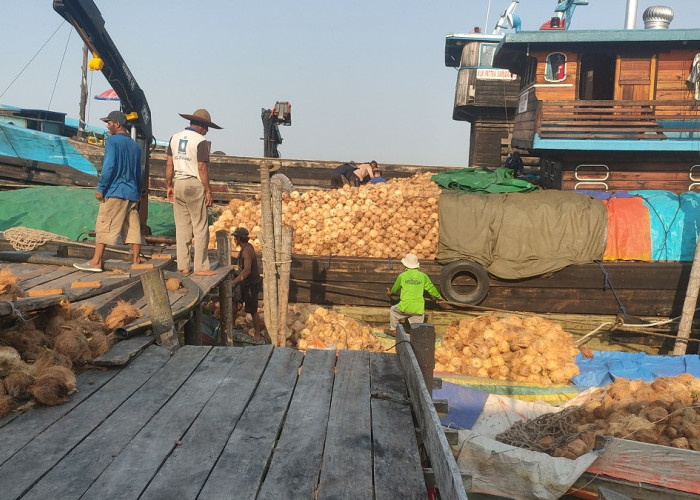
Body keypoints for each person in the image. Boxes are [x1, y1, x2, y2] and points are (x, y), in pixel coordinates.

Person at [74, 110, 142, 272]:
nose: (107, 125)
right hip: (131, 193)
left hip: (115, 191)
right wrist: (138, 191)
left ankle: (96, 261)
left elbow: (109, 166)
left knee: (104, 224)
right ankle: (137, 260)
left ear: (117, 124)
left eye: (109, 122)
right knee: (132, 227)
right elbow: (139, 171)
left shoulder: (112, 141)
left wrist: (101, 187)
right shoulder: (135, 145)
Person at [166, 108, 222, 276]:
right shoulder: (200, 140)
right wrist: (208, 190)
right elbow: (201, 167)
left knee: (182, 228)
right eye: (207, 128)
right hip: (194, 184)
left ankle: (183, 266)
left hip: (179, 183)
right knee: (200, 227)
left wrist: (169, 185)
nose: (207, 131)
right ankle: (201, 267)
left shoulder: (174, 137)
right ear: (202, 126)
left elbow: (169, 164)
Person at [385, 253, 444, 336]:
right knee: (417, 331)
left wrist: (389, 293)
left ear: (405, 265)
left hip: (404, 307)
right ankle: (416, 334)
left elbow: (395, 289)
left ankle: (394, 330)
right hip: (418, 309)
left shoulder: (402, 276)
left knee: (393, 310)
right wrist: (439, 297)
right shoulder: (423, 276)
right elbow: (431, 289)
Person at [230, 227, 264, 341]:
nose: (234, 239)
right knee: (234, 300)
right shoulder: (245, 248)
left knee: (252, 310)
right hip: (245, 282)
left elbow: (247, 271)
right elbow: (239, 256)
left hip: (251, 284)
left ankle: (258, 334)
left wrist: (235, 281)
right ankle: (232, 326)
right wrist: (227, 252)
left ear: (238, 238)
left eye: (235, 237)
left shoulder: (247, 250)